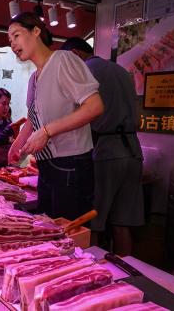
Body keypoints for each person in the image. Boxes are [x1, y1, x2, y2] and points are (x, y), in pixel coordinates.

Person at [7, 12, 104, 220]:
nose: (13, 45)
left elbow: (94, 106)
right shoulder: (34, 77)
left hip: (71, 164)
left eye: (16, 36)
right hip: (47, 165)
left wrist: (47, 131)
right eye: (9, 40)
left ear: (36, 31)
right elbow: (34, 119)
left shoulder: (63, 59)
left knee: (69, 236)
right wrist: (19, 143)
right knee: (48, 231)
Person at [61, 37, 144, 256]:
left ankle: (93, 276)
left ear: (76, 55)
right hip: (133, 151)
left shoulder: (85, 72)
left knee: (93, 221)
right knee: (122, 222)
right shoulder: (122, 71)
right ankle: (128, 276)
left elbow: (74, 117)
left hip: (105, 152)